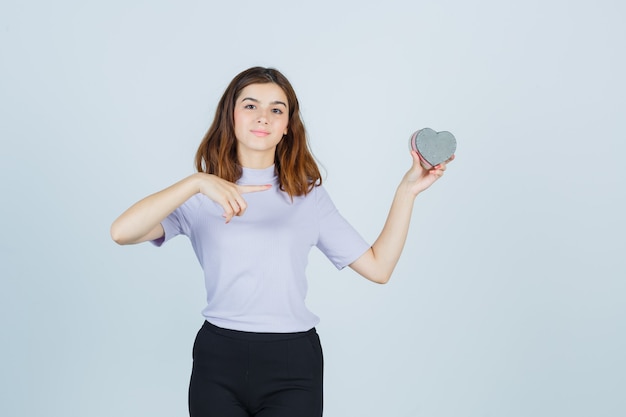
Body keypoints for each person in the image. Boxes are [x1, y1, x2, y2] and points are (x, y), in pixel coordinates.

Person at [110, 66, 453, 417]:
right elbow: (122, 232)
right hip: (218, 358)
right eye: (250, 106)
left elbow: (379, 268)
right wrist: (196, 182)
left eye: (276, 109)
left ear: (287, 125)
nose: (263, 117)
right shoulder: (202, 194)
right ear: (230, 116)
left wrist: (407, 191)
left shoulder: (308, 196)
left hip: (292, 364)